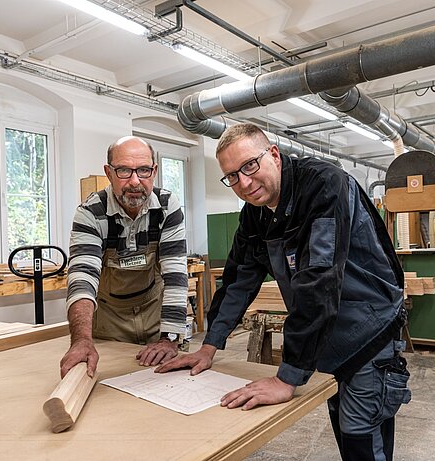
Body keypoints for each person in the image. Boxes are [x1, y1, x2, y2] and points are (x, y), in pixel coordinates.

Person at [157, 124, 410, 460]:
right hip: (328, 338)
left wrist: (287, 377)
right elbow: (238, 280)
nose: (244, 183)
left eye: (249, 166)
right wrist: (209, 345)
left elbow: (318, 280)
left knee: (362, 439)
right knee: (345, 431)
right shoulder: (255, 214)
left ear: (273, 155)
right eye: (232, 176)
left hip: (369, 333)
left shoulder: (323, 185)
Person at [60, 136, 188, 378]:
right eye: (123, 171)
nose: (135, 181)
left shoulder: (167, 207)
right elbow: (82, 278)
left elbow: (175, 275)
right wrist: (81, 340)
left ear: (155, 171)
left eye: (143, 170)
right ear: (108, 173)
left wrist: (169, 338)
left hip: (155, 319)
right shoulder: (90, 213)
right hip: (109, 323)